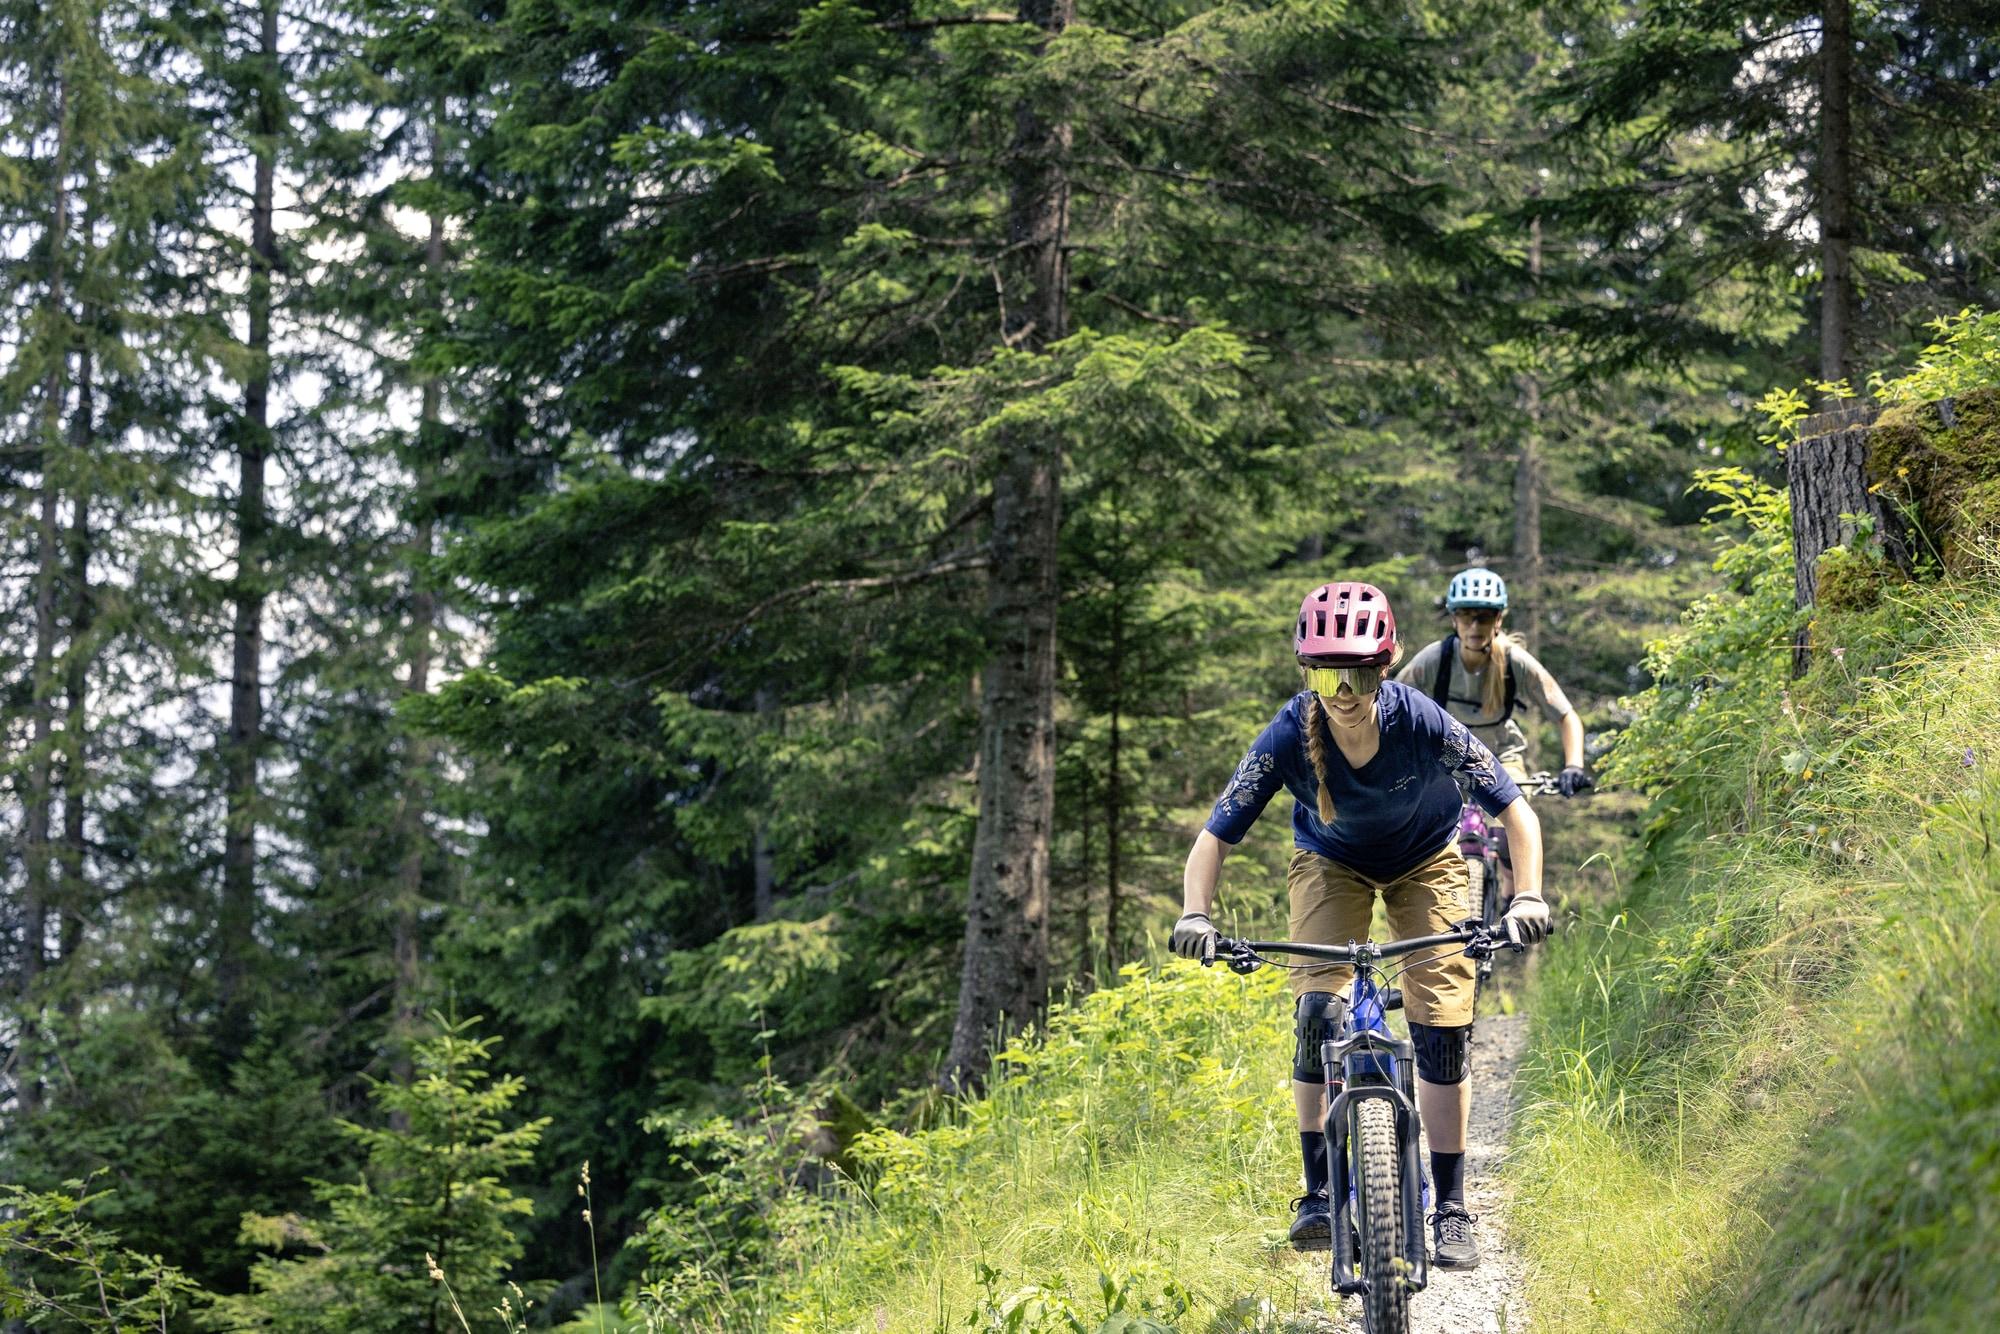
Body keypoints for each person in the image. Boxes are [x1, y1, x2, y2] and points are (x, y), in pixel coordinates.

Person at [1169, 580, 1551, 1270]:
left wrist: (1526, 898)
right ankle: (1316, 1193)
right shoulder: (1288, 733)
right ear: (1304, 669)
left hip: (1426, 860)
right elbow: (1214, 837)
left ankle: (1453, 1206)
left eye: (1363, 672)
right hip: (1330, 863)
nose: (1345, 691)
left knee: (1440, 1025)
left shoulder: (1424, 720)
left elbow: (1514, 812)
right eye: (1326, 672)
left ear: (1387, 665)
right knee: (1317, 1010)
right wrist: (1195, 913)